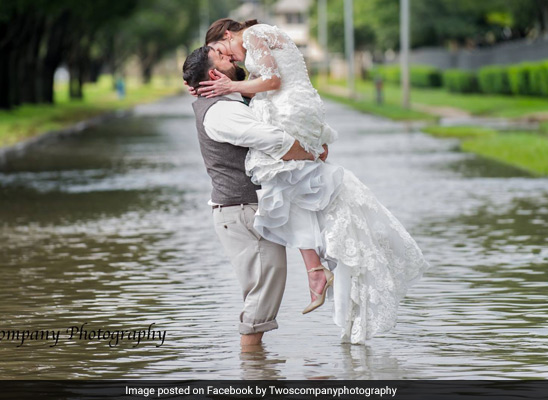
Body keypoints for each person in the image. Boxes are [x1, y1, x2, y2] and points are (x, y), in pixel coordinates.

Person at [196, 19, 430, 344]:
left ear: (226, 34)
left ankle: (314, 276)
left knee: (284, 180)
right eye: (223, 58)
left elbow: (274, 80)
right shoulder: (229, 89)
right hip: (285, 110)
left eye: (224, 51)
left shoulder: (252, 36)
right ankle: (316, 271)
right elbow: (266, 86)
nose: (231, 59)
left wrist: (232, 87)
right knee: (290, 186)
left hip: (289, 104)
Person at [182, 46, 326, 347]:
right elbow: (273, 140)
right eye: (224, 58)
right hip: (241, 212)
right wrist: (313, 154)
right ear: (213, 74)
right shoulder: (221, 111)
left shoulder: (224, 103)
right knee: (262, 298)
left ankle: (255, 372)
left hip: (243, 211)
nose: (233, 58)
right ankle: (252, 375)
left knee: (263, 294)